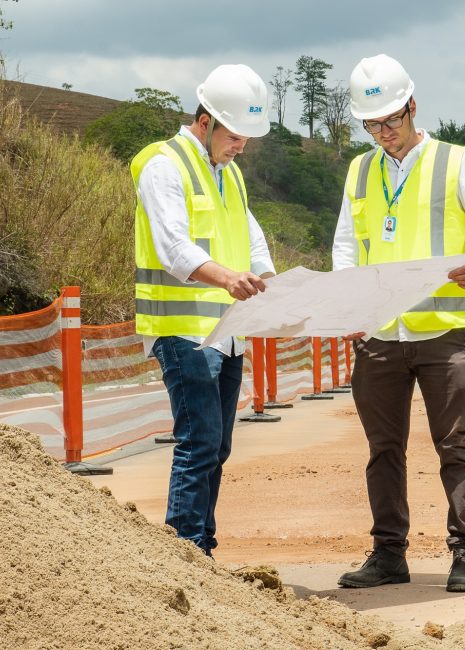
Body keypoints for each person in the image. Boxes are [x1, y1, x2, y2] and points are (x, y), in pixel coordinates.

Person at [332, 54, 465, 593]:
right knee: (383, 450)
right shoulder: (361, 170)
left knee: (454, 444)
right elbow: (345, 243)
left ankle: (464, 552)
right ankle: (389, 555)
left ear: (412, 106)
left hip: (442, 335)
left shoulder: (455, 162)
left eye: (391, 120)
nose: (383, 133)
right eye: (372, 125)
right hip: (380, 338)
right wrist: (347, 300)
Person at [131, 64, 276, 557]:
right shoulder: (163, 166)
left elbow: (249, 234)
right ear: (205, 120)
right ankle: (186, 551)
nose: (241, 147)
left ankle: (202, 547)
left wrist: (268, 276)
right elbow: (173, 247)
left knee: (218, 447)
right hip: (182, 330)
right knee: (199, 442)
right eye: (235, 135)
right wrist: (229, 278)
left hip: (226, 329)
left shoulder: (228, 174)